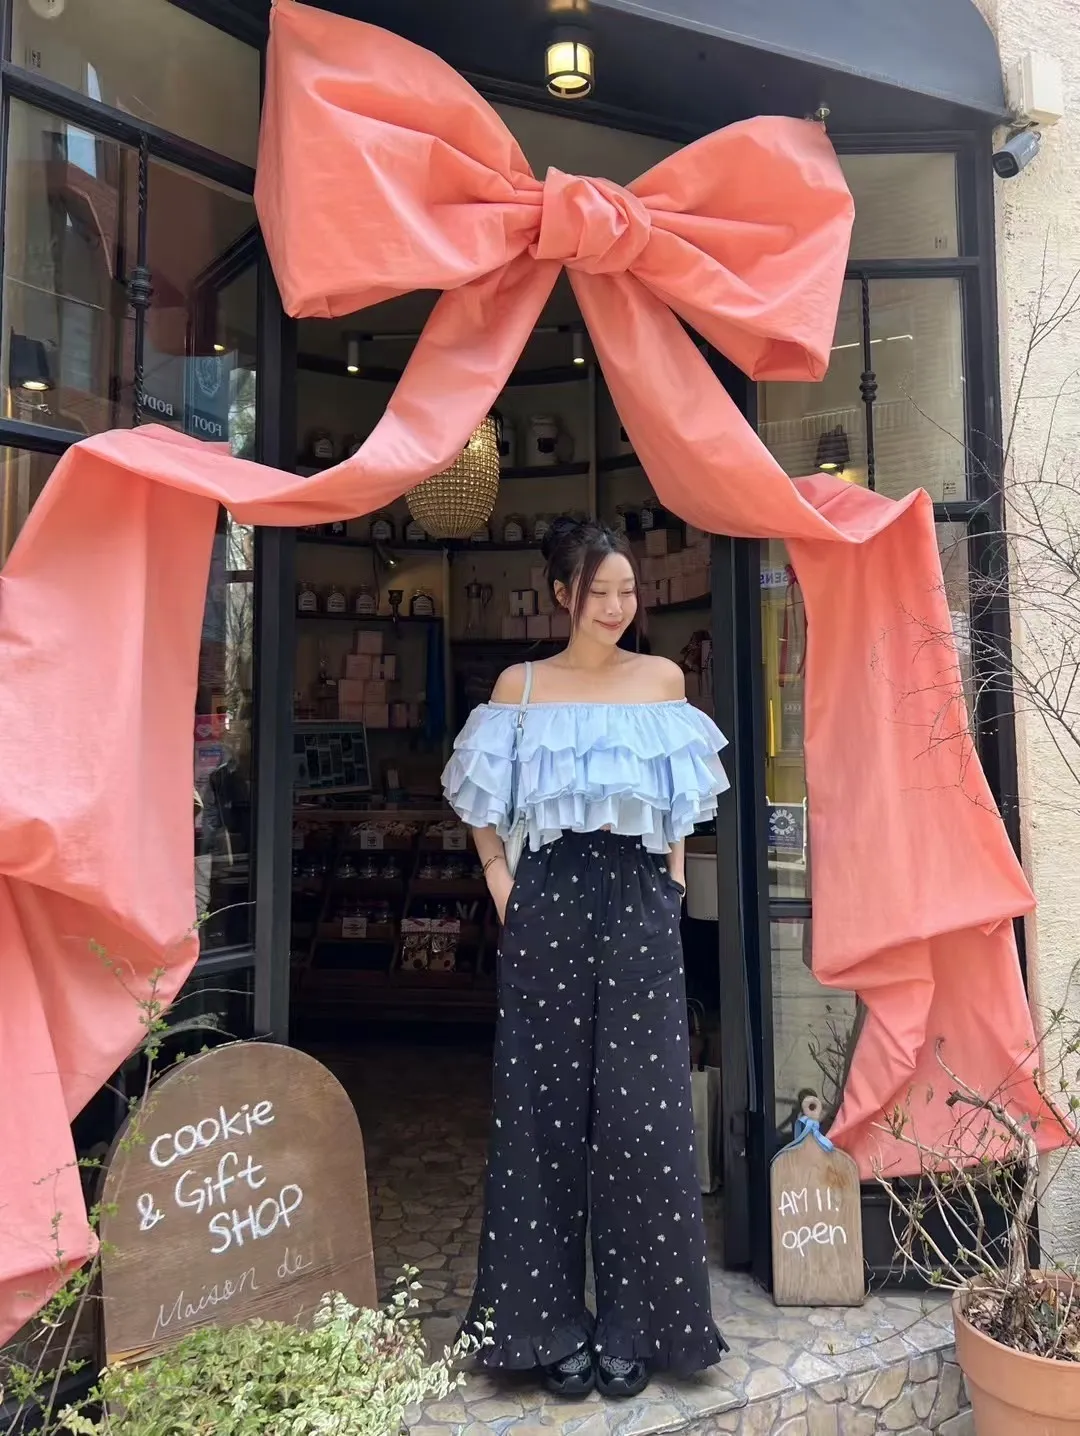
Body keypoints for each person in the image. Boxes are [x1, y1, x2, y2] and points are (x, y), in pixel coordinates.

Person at [441, 516, 730, 1400]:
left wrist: (671, 884)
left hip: (638, 895)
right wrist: (502, 882)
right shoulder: (521, 687)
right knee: (540, 1113)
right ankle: (544, 1326)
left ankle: (642, 1324)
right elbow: (479, 798)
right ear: (563, 593)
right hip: (550, 895)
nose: (615, 606)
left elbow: (678, 802)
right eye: (598, 591)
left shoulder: (663, 680)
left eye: (627, 590)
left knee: (646, 1116)